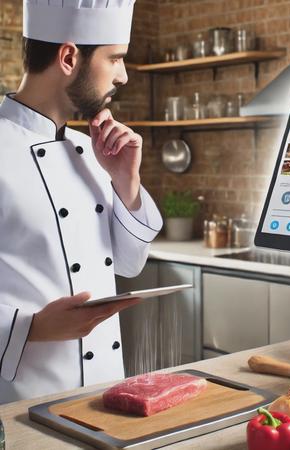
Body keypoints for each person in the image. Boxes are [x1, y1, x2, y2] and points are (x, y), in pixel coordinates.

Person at [0, 0, 163, 404]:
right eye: (116, 59)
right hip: (24, 400)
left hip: (104, 395)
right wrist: (32, 326)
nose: (122, 76)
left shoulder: (92, 151)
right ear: (69, 57)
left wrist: (126, 181)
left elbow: (129, 264)